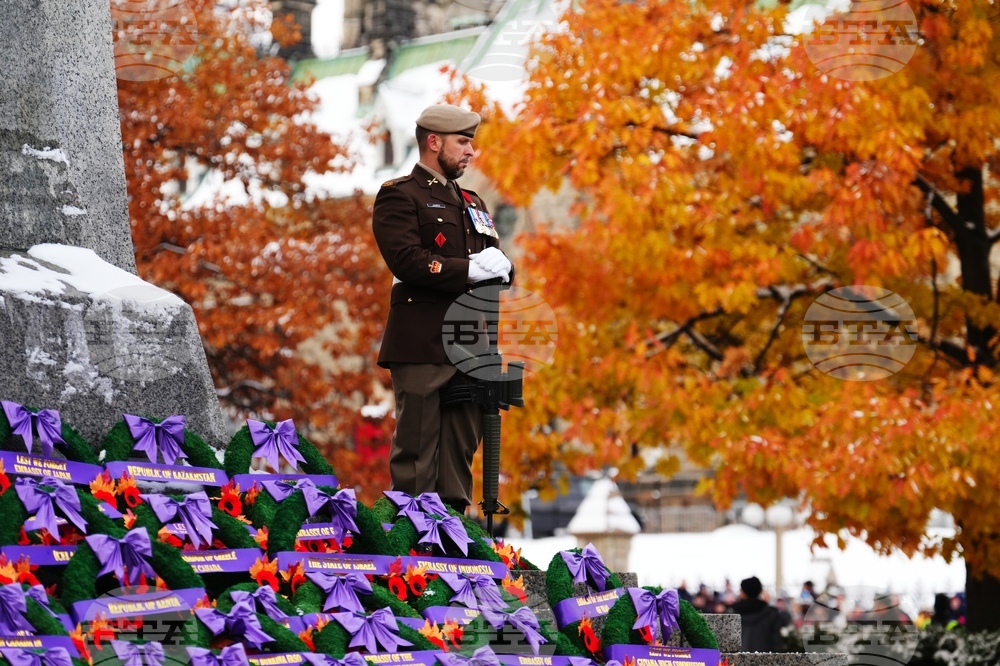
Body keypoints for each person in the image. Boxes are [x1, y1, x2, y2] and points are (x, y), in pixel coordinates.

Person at [371, 103, 513, 516]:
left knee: (460, 448)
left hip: (472, 341)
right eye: (463, 142)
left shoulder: (473, 201)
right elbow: (406, 259)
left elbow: (491, 258)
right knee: (417, 448)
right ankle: (413, 534)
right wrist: (466, 269)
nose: (471, 151)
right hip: (423, 340)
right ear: (434, 143)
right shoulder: (400, 195)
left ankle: (452, 530)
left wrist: (504, 266)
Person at [731, 576, 784, 653]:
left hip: (738, 660)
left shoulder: (732, 614)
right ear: (760, 590)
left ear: (743, 591)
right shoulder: (771, 613)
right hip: (766, 660)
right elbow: (777, 643)